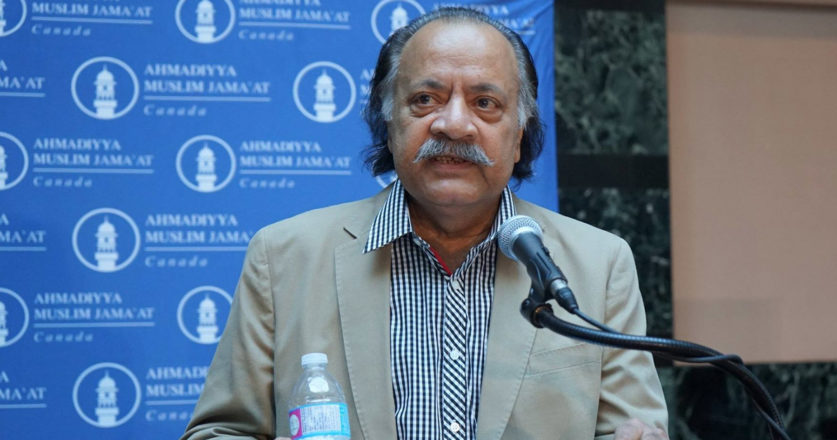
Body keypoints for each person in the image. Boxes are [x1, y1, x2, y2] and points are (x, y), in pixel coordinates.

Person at [182, 7, 668, 440]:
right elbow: (221, 431)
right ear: (388, 122)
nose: (453, 124)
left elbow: (630, 426)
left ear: (519, 135)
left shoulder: (600, 264)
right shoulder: (284, 257)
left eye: (485, 103)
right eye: (425, 99)